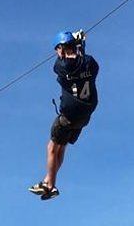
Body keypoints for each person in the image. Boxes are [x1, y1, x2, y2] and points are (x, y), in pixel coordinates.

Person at [29, 29, 99, 200]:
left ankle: (50, 185)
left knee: (52, 148)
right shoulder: (91, 63)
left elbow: (64, 63)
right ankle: (49, 180)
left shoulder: (61, 67)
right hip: (84, 117)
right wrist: (79, 44)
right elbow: (83, 60)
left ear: (60, 49)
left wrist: (70, 46)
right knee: (61, 148)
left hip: (69, 115)